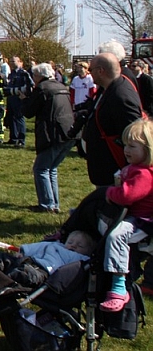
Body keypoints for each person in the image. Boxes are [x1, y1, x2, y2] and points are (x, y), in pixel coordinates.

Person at [99, 118, 153, 312]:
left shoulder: (144, 174)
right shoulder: (135, 169)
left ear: (148, 149)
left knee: (116, 236)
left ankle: (118, 286)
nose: (126, 150)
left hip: (143, 222)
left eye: (133, 146)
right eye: (125, 145)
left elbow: (127, 196)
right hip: (134, 217)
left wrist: (109, 193)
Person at [82, 53, 143, 186]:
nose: (89, 73)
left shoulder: (120, 96)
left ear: (101, 71)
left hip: (114, 170)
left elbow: (134, 135)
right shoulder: (109, 89)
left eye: (91, 69)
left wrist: (128, 170)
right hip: (106, 169)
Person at [21, 63, 74, 214]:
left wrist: (24, 99)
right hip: (68, 132)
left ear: (38, 76)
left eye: (34, 76)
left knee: (41, 168)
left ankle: (46, 205)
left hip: (53, 133)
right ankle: (53, 203)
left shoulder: (43, 89)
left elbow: (28, 111)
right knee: (51, 169)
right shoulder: (61, 86)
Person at [0, 231, 96, 288]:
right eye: (70, 242)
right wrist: (23, 251)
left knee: (28, 274)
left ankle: (9, 278)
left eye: (80, 246)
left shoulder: (80, 259)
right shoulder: (56, 245)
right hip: (30, 260)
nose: (73, 246)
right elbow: (38, 246)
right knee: (5, 257)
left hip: (45, 270)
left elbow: (86, 264)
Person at [5, 55, 34, 147]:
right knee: (11, 118)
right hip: (10, 99)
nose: (12, 63)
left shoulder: (24, 73)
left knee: (19, 118)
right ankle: (13, 138)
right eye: (10, 61)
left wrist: (19, 91)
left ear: (19, 62)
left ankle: (21, 139)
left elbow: (30, 86)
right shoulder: (11, 73)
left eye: (13, 61)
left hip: (18, 99)